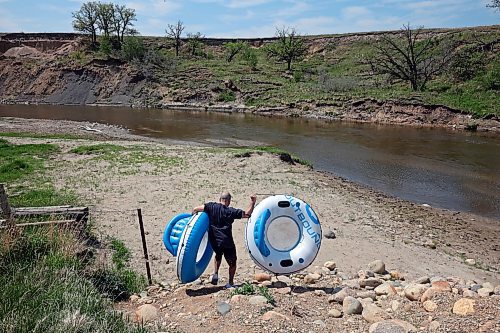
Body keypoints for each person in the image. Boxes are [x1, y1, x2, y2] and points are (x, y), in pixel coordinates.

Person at [193, 192, 256, 289]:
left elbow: (196, 209)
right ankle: (230, 283)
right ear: (228, 201)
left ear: (220, 199)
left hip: (214, 241)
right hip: (227, 242)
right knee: (233, 263)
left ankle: (216, 274)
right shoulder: (230, 211)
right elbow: (247, 214)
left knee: (218, 255)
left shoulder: (211, 206)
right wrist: (252, 202)